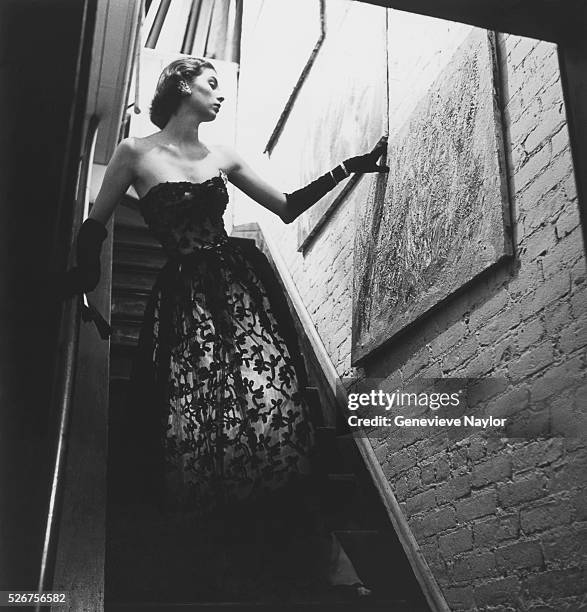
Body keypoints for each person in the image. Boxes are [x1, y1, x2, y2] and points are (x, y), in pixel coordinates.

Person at [64, 57, 388, 601]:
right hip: (184, 304)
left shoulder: (225, 155)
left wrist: (348, 167)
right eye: (212, 85)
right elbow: (94, 228)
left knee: (276, 413)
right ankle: (232, 566)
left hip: (241, 292)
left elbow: (285, 207)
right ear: (182, 87)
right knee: (202, 428)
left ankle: (315, 557)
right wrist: (82, 283)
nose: (220, 95)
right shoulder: (133, 153)